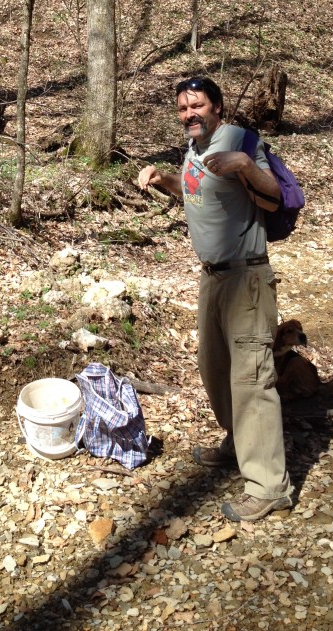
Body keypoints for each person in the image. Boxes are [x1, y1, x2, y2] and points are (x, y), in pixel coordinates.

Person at [138, 76, 294, 522]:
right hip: (212, 279)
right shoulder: (194, 148)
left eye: (198, 105)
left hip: (246, 277)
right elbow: (197, 195)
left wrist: (245, 165)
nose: (190, 113)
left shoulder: (240, 141)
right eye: (184, 107)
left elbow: (273, 196)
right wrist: (165, 178)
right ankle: (237, 441)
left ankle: (269, 486)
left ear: (218, 108)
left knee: (252, 380)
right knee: (215, 367)